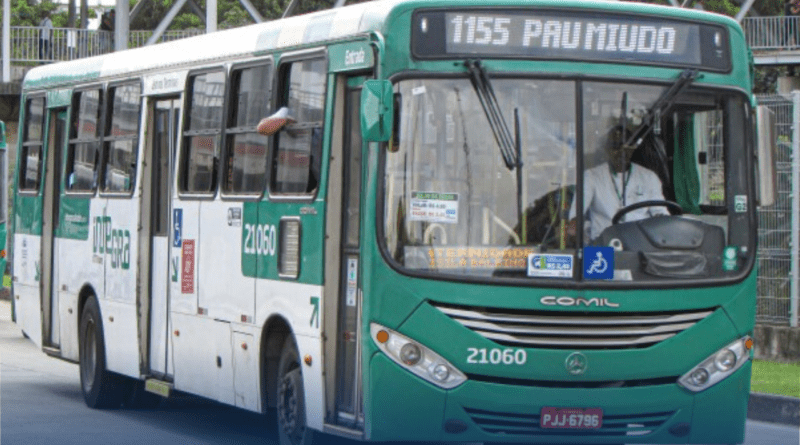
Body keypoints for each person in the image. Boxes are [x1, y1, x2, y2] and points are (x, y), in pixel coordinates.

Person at [568, 125, 669, 240]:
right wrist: (575, 226)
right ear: (607, 149)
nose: (621, 152)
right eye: (616, 146)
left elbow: (660, 212)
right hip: (603, 243)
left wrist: (663, 219)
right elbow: (577, 213)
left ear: (633, 148)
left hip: (640, 244)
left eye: (626, 146)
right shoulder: (591, 176)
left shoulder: (649, 177)